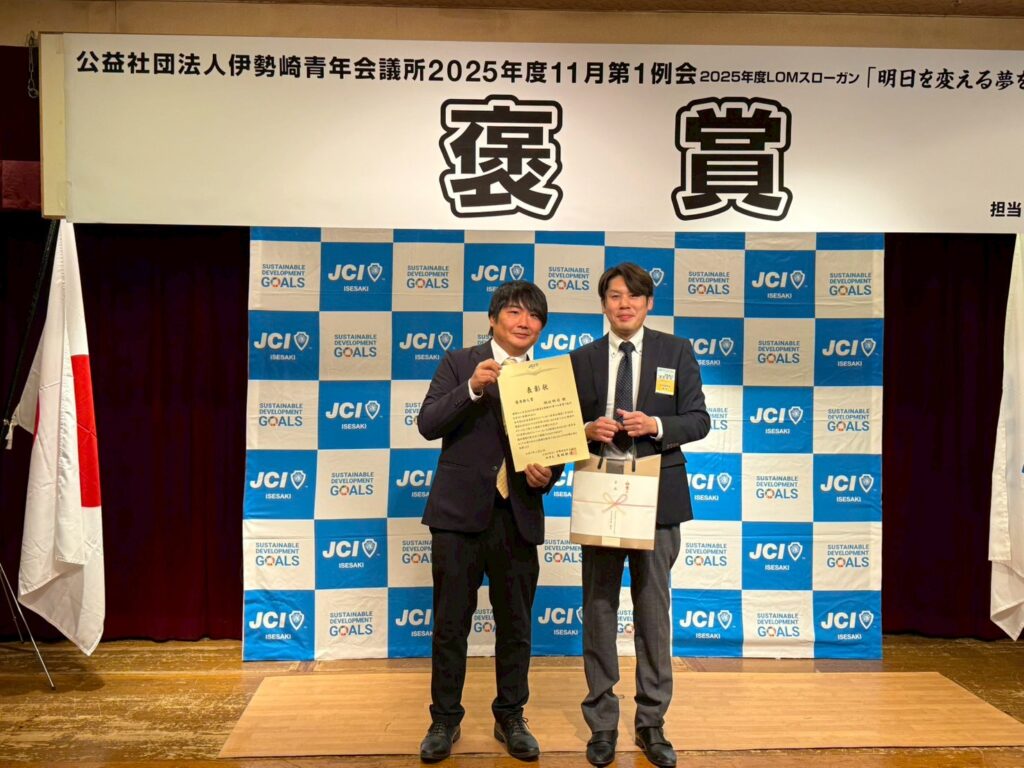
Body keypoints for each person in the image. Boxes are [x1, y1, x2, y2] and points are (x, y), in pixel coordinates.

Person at [570, 263, 710, 768]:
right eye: (614, 296)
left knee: (653, 612)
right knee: (599, 609)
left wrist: (655, 424)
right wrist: (587, 430)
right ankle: (602, 724)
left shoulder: (676, 351)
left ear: (649, 303)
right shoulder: (582, 359)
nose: (624, 304)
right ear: (603, 304)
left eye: (633, 296)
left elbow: (699, 420)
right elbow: (561, 426)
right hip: (601, 493)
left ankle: (652, 722)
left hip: (657, 496)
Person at [417, 280, 563, 763]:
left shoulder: (547, 376)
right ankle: (444, 719)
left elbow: (556, 446)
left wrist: (549, 474)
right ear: (493, 318)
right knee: (450, 625)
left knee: (516, 626)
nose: (525, 322)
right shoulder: (460, 363)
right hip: (458, 517)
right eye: (515, 312)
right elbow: (428, 424)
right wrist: (471, 389)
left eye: (534, 316)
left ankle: (511, 716)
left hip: (517, 517)